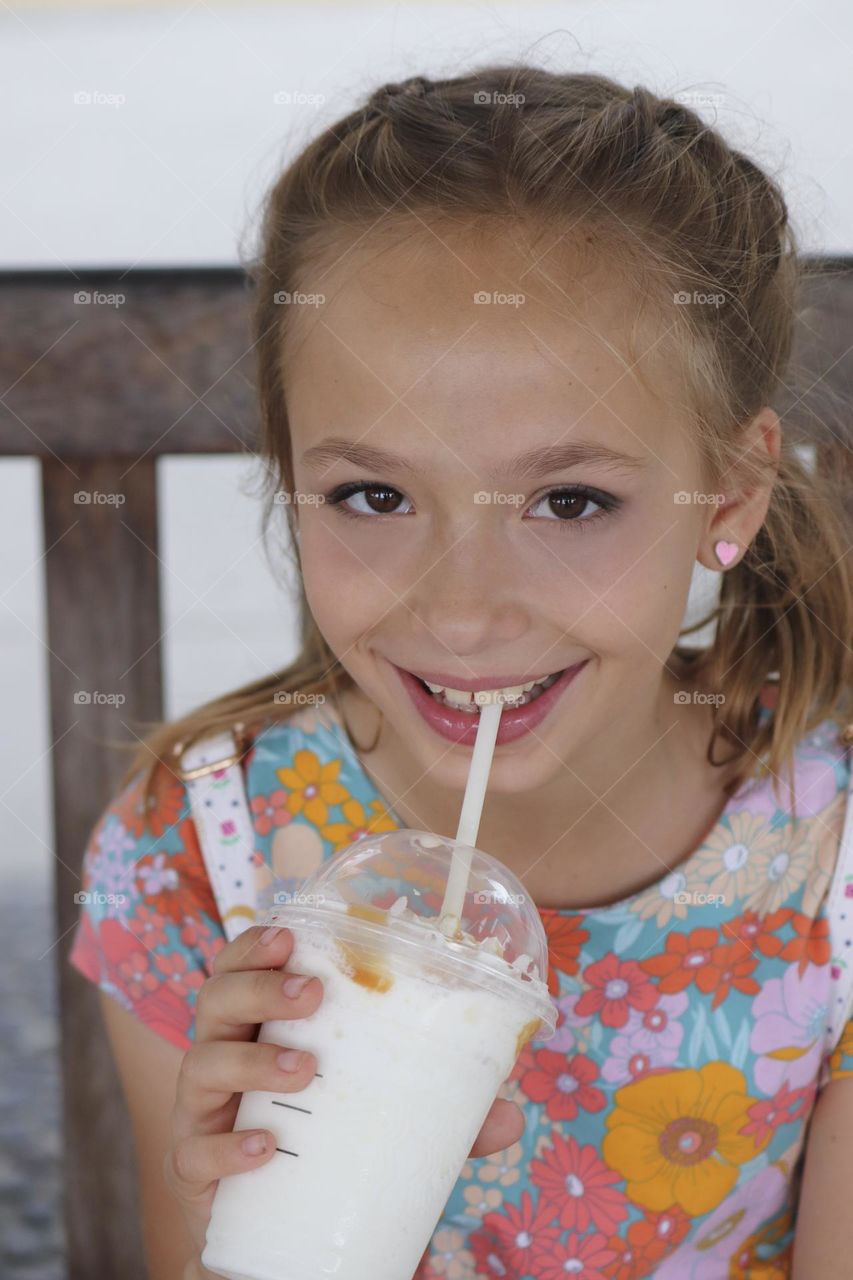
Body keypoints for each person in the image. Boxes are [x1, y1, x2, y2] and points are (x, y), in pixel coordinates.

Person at [69, 64, 853, 1279]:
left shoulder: (833, 865)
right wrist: (251, 1216)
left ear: (729, 495)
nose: (464, 608)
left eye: (571, 499)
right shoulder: (201, 856)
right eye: (372, 495)